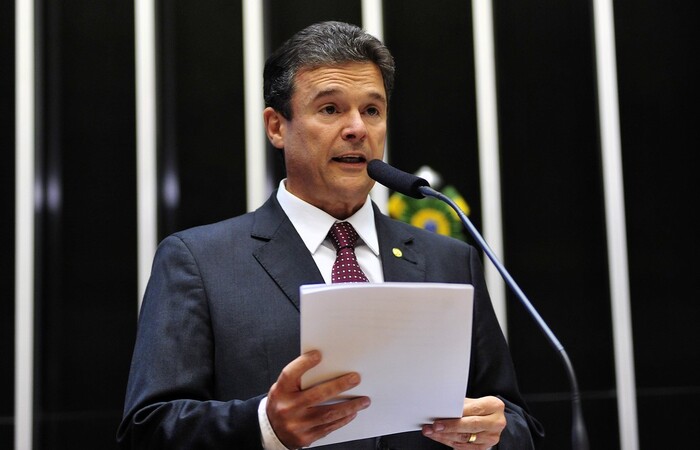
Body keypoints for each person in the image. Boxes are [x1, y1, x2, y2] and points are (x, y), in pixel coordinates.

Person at [117, 20, 543, 449]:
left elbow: (516, 422)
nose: (357, 128)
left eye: (372, 111)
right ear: (276, 127)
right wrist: (266, 426)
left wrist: (494, 433)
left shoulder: (449, 261)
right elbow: (149, 430)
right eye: (330, 109)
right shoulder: (198, 262)